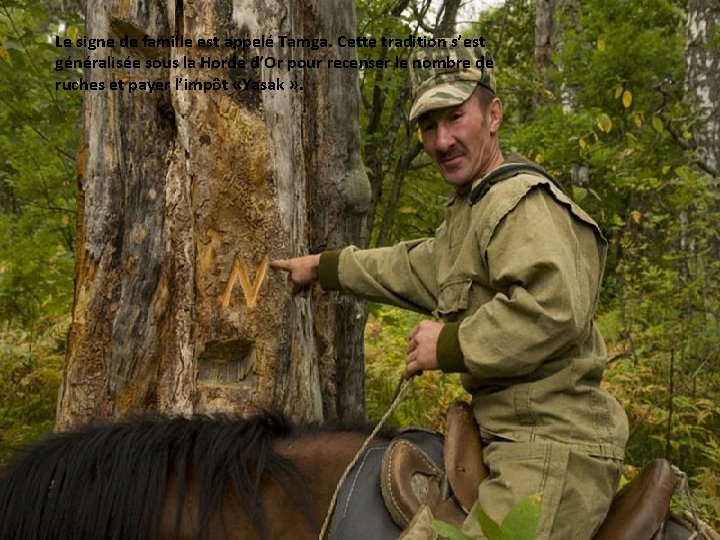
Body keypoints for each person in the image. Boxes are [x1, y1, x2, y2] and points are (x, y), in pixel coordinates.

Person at [271, 43, 629, 539]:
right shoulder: (473, 210)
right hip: (501, 435)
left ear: (494, 115)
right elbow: (412, 265)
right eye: (428, 126)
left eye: (456, 118)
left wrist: (449, 344)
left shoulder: (522, 203)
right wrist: (325, 268)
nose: (442, 141)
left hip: (551, 445)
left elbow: (553, 308)